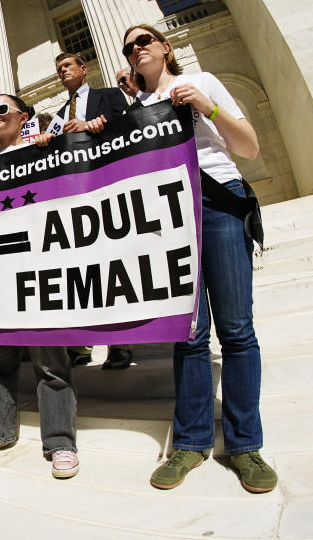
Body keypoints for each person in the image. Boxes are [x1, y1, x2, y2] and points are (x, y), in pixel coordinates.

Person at [121, 24, 275, 493]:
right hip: (169, 219)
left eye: (145, 40)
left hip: (220, 205)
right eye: (129, 47)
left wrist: (207, 108)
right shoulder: (136, 112)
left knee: (236, 329)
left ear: (166, 48)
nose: (137, 48)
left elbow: (248, 147)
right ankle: (189, 444)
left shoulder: (203, 83)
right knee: (188, 334)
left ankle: (246, 445)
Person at [0, 93, 79, 479]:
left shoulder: (43, 148)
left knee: (50, 359)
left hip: (39, 264)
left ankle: (60, 440)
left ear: (23, 116)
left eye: (1, 110)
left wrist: (49, 147)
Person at [54, 51, 135, 371]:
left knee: (113, 267)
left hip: (108, 186)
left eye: (67, 66)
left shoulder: (109, 96)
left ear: (83, 70)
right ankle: (82, 344)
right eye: (58, 69)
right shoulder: (59, 113)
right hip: (74, 197)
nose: (62, 71)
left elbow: (131, 129)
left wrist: (90, 126)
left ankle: (120, 343)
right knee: (81, 273)